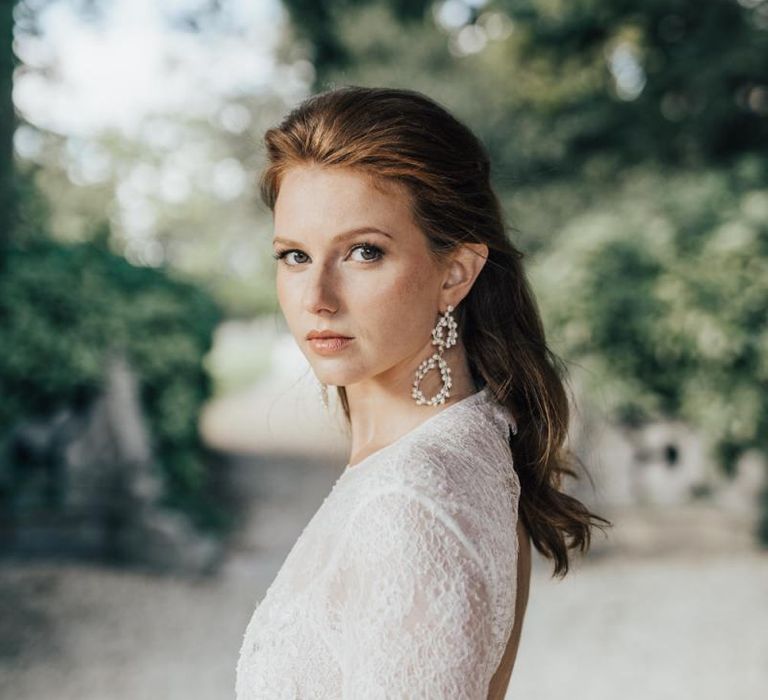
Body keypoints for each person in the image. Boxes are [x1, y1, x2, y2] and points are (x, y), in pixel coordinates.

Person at [235, 85, 611, 699]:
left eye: (363, 252)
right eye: (295, 256)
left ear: (455, 271)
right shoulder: (476, 436)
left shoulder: (408, 506)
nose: (317, 298)